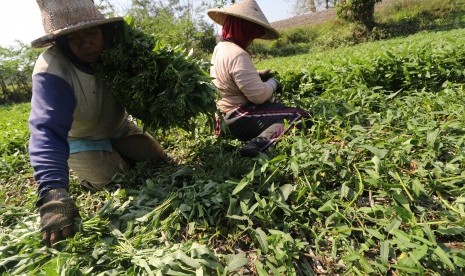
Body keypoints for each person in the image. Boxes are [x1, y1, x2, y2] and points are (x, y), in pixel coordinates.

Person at [29, 0, 165, 247]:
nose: (86, 43)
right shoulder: (52, 70)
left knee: (158, 160)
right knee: (116, 178)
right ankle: (91, 168)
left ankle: (117, 149)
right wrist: (52, 195)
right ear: (61, 42)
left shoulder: (122, 50)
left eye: (91, 32)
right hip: (80, 137)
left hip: (118, 126)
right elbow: (46, 131)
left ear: (103, 31)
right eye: (73, 38)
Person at [207, 0, 311, 157]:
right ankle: (258, 144)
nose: (251, 40)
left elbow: (231, 76)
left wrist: (258, 75)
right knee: (299, 115)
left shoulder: (220, 48)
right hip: (238, 118)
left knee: (278, 108)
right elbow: (258, 96)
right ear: (244, 29)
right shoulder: (237, 53)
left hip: (221, 120)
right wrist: (274, 83)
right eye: (251, 33)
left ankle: (252, 134)